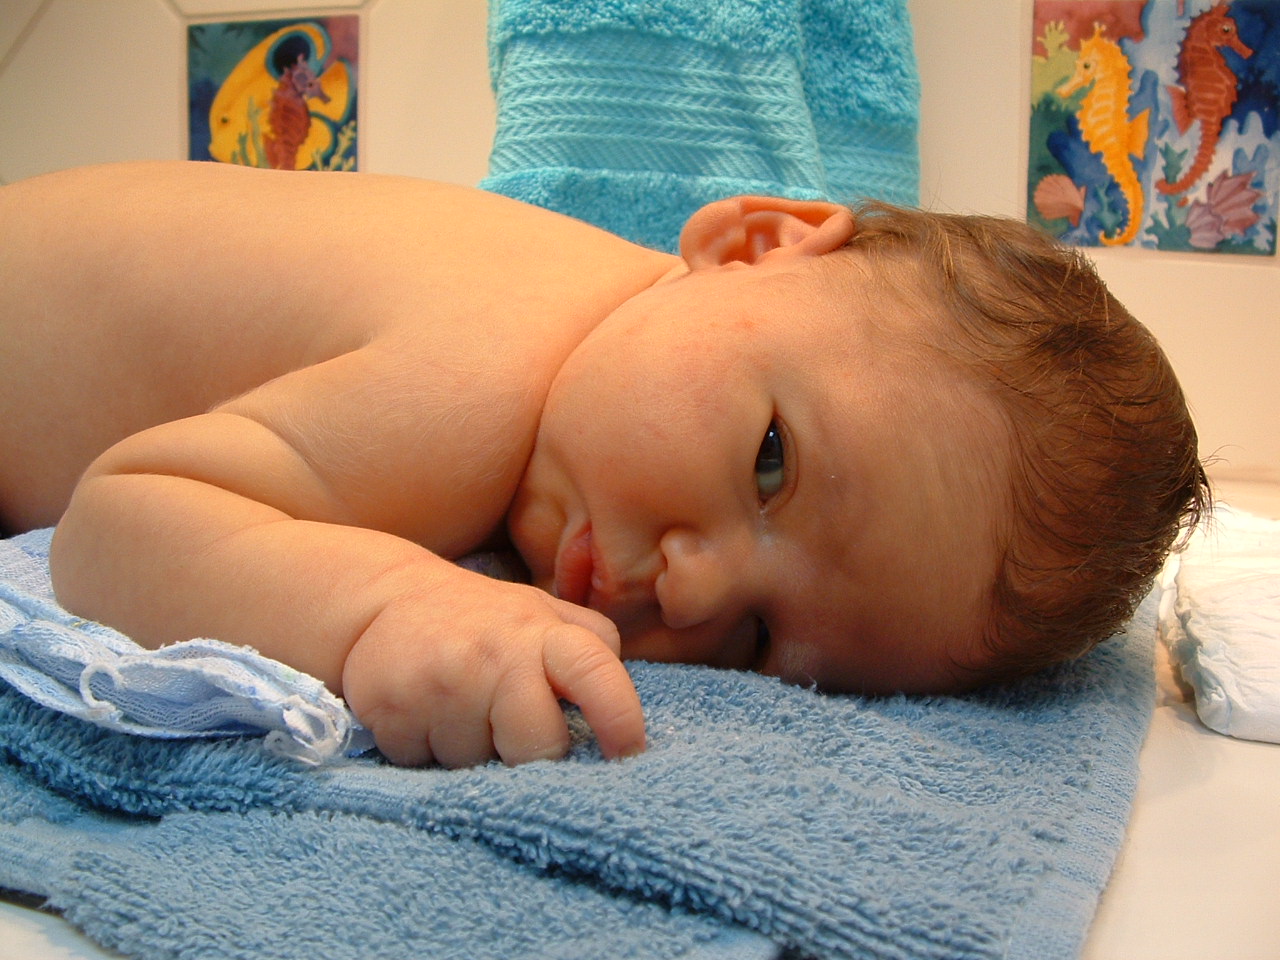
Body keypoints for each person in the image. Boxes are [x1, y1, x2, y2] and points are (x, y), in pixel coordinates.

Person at [0, 161, 1208, 768]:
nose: (694, 590)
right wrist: (386, 608)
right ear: (754, 243)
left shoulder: (606, 381)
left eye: (756, 641)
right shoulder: (480, 369)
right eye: (770, 464)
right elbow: (122, 520)